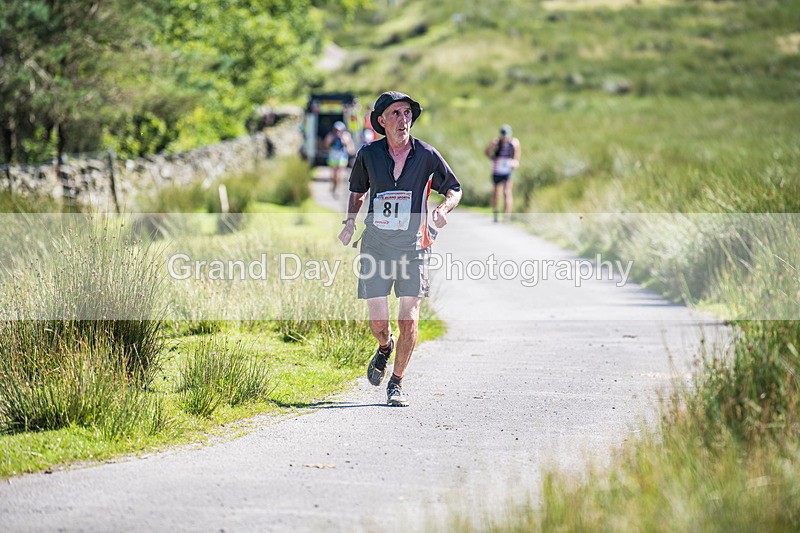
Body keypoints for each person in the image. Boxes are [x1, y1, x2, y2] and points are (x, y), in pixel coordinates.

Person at [338, 91, 462, 407]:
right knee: (379, 325)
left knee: (409, 318)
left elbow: (454, 189)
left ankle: (396, 383)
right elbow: (357, 191)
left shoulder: (427, 155)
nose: (403, 119)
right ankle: (384, 348)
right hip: (377, 246)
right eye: (396, 113)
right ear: (381, 121)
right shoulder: (368, 154)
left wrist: (443, 209)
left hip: (414, 246)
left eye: (407, 113)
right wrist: (350, 222)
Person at [484, 124, 521, 223]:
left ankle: (506, 216)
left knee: (507, 192)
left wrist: (514, 162)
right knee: (496, 193)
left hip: (507, 171)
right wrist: (493, 158)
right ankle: (495, 213)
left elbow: (516, 157)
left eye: (507, 135)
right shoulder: (496, 143)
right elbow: (487, 152)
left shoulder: (514, 143)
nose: (505, 137)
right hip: (497, 170)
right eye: (503, 135)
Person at [325, 121, 355, 197]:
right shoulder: (331, 135)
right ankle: (333, 185)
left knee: (340, 174)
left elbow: (350, 146)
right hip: (333, 156)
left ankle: (338, 189)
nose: (338, 131)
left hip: (342, 157)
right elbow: (326, 145)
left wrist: (345, 142)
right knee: (333, 174)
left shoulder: (346, 135)